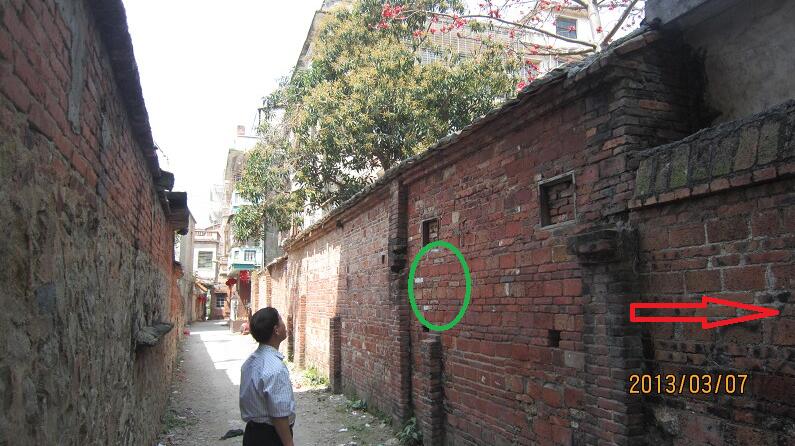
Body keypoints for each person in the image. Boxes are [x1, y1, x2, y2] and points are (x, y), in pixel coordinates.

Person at [239, 307, 295, 446]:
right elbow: (279, 415)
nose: (284, 324)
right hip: (270, 436)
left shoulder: (250, 362)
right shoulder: (275, 368)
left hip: (252, 434)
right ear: (276, 330)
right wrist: (289, 443)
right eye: (281, 320)